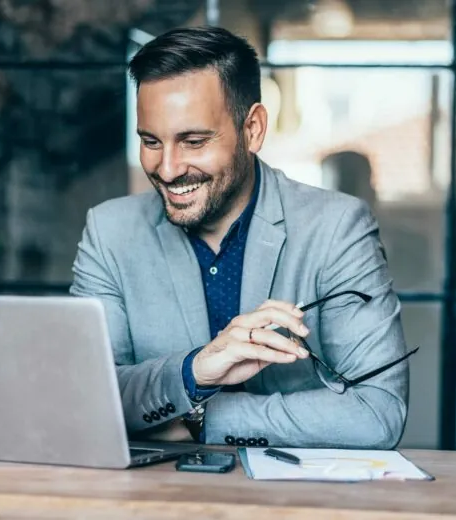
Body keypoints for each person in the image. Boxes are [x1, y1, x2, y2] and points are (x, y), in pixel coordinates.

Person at [69, 26, 411, 449]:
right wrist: (194, 371)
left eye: (193, 141)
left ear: (252, 129)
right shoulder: (109, 232)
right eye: (150, 141)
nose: (168, 168)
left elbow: (379, 413)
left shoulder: (337, 228)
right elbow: (87, 396)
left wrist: (201, 419)